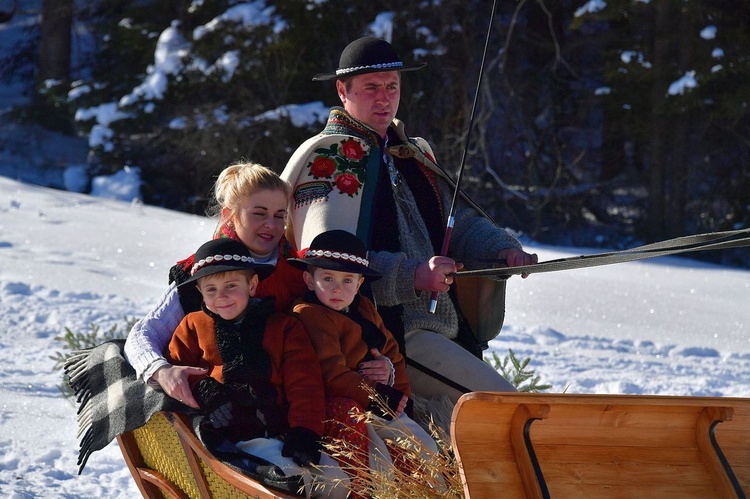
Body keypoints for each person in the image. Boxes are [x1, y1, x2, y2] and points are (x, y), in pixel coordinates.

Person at [281, 37, 539, 412]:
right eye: (371, 88)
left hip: (443, 329)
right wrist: (413, 275)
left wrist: (501, 249)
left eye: (392, 87)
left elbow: (458, 220)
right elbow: (327, 263)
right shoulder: (329, 157)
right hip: (382, 336)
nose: (383, 98)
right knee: (506, 408)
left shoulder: (412, 151)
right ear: (342, 91)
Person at [165, 237, 349, 497]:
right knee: (296, 480)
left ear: (252, 285)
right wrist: (203, 387)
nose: (222, 297)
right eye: (212, 290)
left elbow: (305, 384)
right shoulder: (193, 326)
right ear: (201, 294)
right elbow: (174, 371)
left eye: (231, 286)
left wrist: (305, 431)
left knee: (337, 482)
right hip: (228, 434)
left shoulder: (282, 326)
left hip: (281, 429)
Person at [124, 161, 307, 409]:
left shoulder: (300, 273)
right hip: (217, 401)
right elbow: (144, 334)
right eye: (259, 213)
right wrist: (161, 370)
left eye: (279, 216)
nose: (272, 225)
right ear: (229, 215)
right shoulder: (199, 273)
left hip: (291, 400)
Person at [288, 230, 439, 493]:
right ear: (309, 281)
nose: (338, 288)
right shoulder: (310, 314)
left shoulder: (364, 309)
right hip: (343, 405)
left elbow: (392, 352)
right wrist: (378, 395)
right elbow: (331, 373)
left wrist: (393, 383)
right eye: (328, 278)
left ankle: (428, 493)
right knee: (377, 462)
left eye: (348, 280)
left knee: (424, 448)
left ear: (359, 285)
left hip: (378, 401)